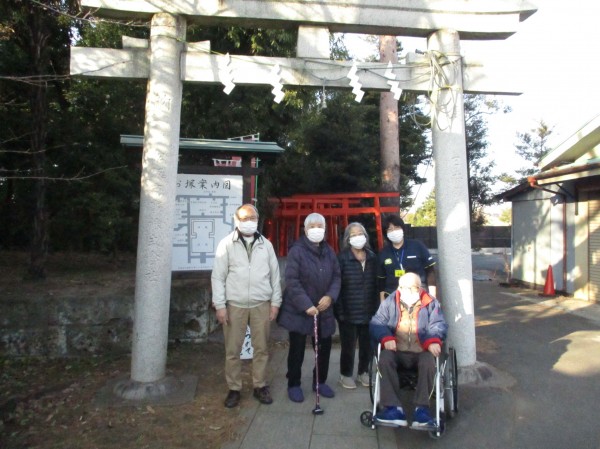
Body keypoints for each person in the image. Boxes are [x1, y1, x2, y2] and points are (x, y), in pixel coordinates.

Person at [211, 204, 282, 408]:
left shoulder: (266, 245)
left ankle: (260, 385)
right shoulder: (226, 244)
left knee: (261, 348)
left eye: (252, 218)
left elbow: (275, 276)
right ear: (236, 220)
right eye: (244, 218)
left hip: (261, 303)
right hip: (235, 304)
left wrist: (275, 303)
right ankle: (234, 388)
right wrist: (220, 305)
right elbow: (218, 277)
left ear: (258, 220)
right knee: (233, 350)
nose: (249, 222)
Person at [369, 272, 447, 428]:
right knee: (384, 358)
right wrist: (386, 338)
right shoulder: (390, 302)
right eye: (405, 287)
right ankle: (393, 409)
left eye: (414, 287)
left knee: (428, 362)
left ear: (420, 288)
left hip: (421, 351)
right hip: (397, 350)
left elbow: (438, 324)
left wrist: (432, 341)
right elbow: (377, 322)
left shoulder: (430, 303)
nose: (409, 291)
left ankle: (422, 409)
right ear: (399, 288)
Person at [277, 213, 341, 403]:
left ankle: (319, 381)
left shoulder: (329, 251)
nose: (316, 229)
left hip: (324, 308)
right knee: (297, 349)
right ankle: (294, 383)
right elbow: (292, 280)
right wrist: (306, 305)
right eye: (312, 226)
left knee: (324, 347)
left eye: (319, 226)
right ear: (305, 230)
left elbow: (337, 276)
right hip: (300, 309)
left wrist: (330, 296)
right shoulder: (297, 251)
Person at [335, 222, 378, 389]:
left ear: (365, 237)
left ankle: (363, 372)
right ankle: (345, 374)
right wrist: (340, 312)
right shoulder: (342, 258)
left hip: (369, 310)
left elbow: (377, 284)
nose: (357, 237)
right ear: (348, 239)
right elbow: (337, 286)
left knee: (367, 346)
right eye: (353, 235)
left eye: (360, 234)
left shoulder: (373, 258)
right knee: (348, 347)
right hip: (348, 311)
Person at [377, 215, 437, 302]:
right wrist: (382, 302)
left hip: (418, 295)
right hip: (393, 297)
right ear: (386, 233)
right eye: (390, 229)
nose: (394, 231)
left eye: (397, 228)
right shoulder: (384, 253)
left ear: (402, 229)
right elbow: (381, 280)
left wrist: (433, 296)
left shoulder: (417, 246)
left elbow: (430, 271)